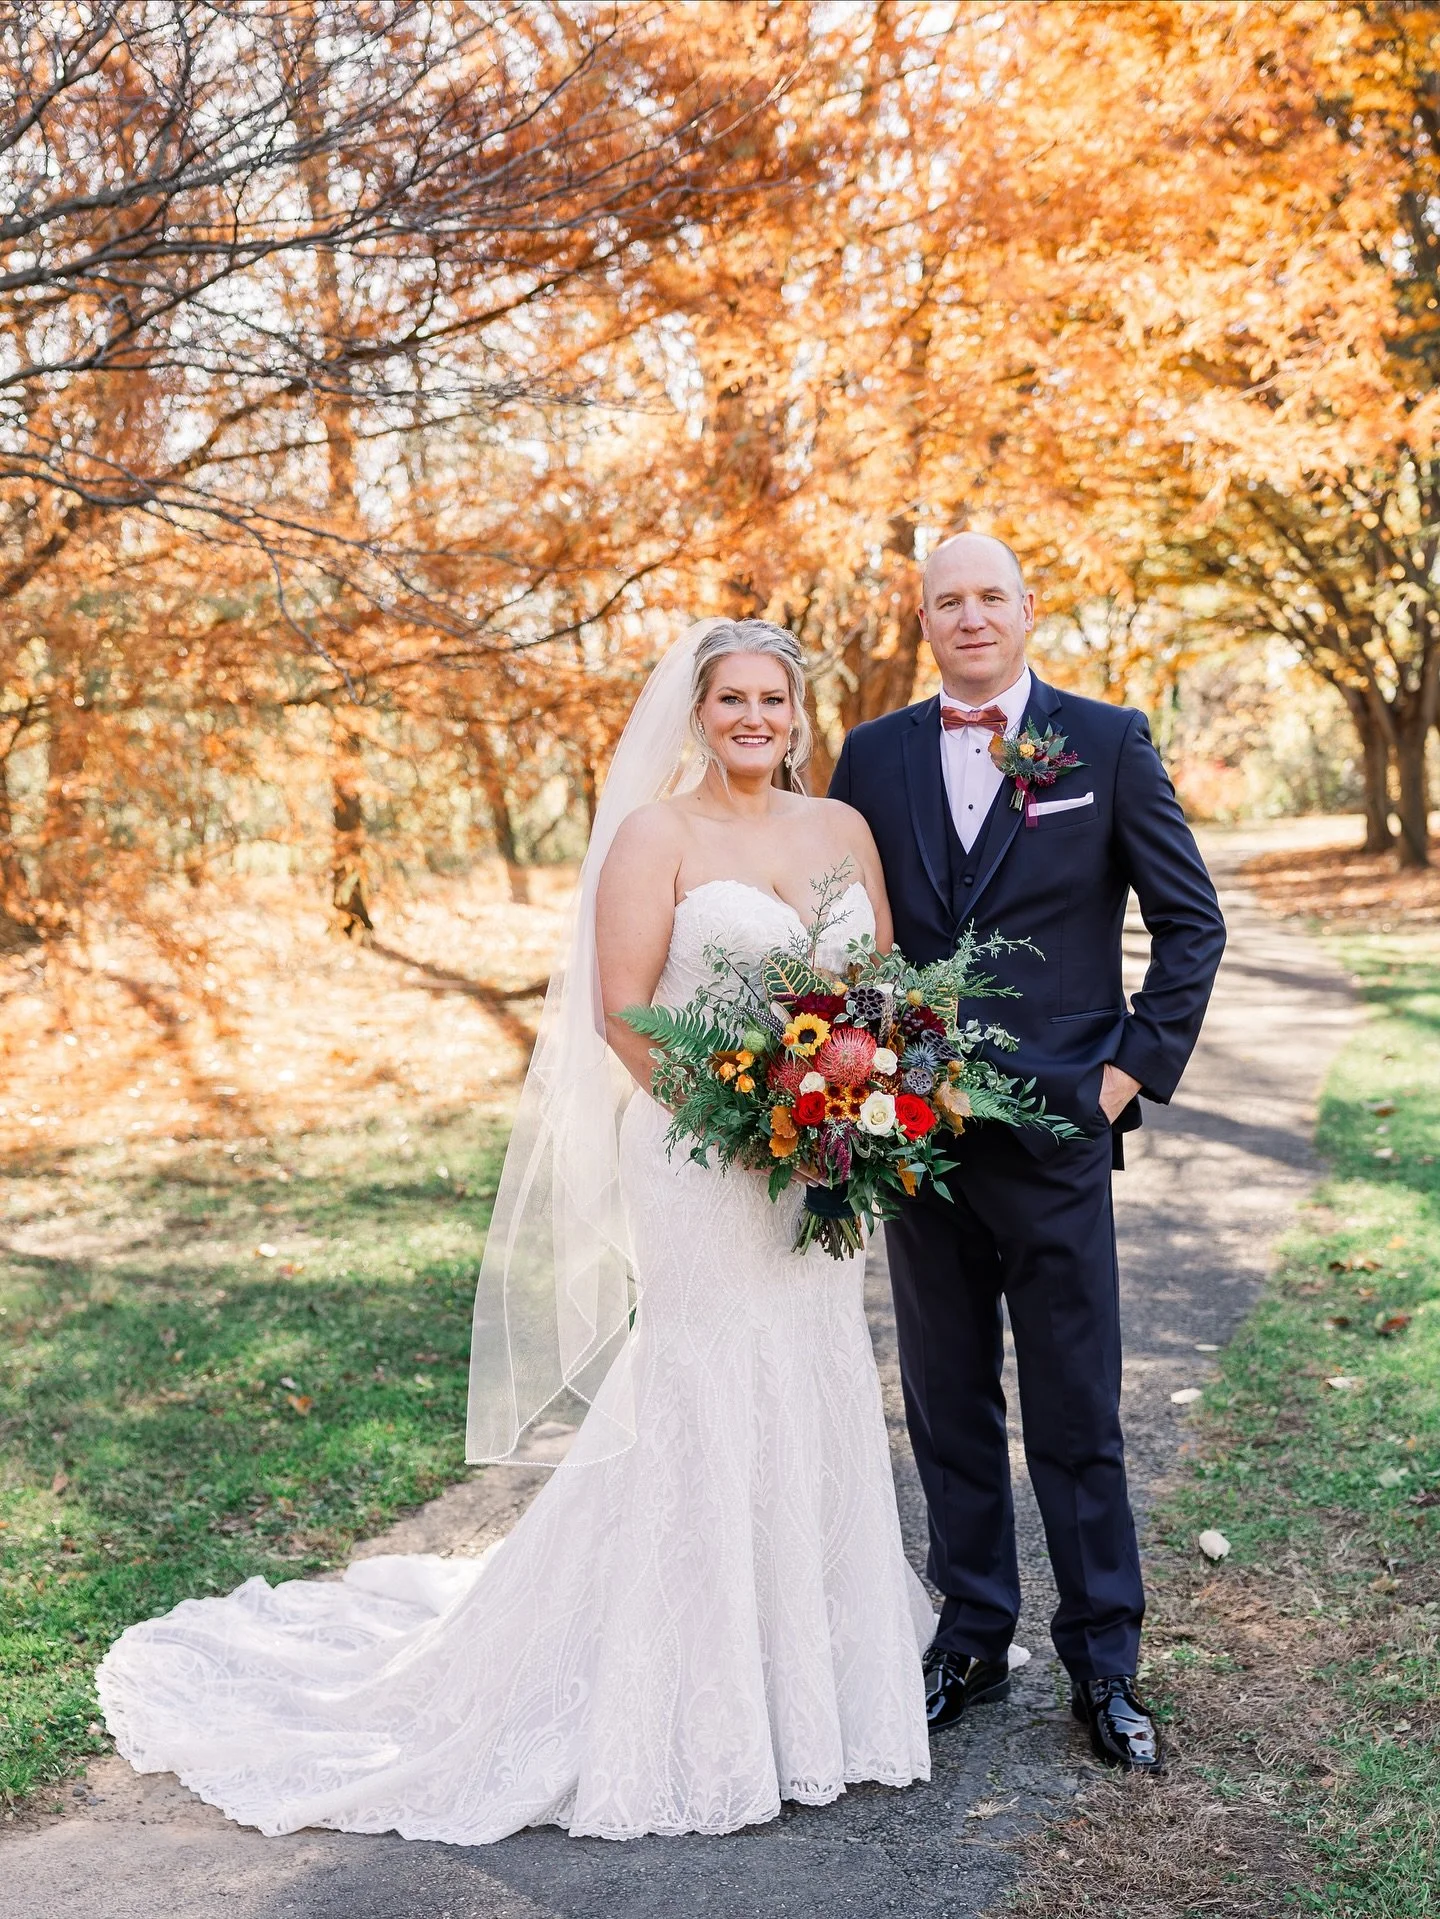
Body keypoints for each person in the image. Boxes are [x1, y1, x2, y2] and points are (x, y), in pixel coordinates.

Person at [96, 618, 938, 1844]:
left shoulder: (843, 829)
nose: (755, 718)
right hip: (701, 1158)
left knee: (812, 1371)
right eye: (732, 699)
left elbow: (884, 995)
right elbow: (625, 1013)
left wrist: (847, 1117)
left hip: (821, 1164)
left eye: (774, 699)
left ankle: (815, 1681)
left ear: (799, 714)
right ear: (698, 712)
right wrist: (751, 1128)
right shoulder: (655, 834)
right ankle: (692, 1687)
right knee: (706, 1382)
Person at [830, 532, 1227, 1774]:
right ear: (924, 620)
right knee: (946, 1399)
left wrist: (1125, 1074)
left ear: (1028, 607)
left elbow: (1191, 922)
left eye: (990, 595)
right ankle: (972, 1636)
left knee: (1075, 1406)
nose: (971, 616)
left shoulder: (1104, 741)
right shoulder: (871, 755)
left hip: (1059, 1129)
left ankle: (1104, 1661)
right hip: (916, 1135)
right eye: (947, 600)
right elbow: (846, 936)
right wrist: (855, 1079)